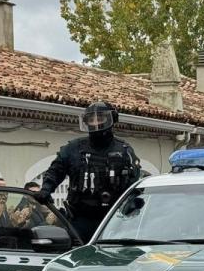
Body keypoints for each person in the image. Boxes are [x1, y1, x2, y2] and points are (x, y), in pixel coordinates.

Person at [35, 101, 141, 242]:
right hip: (80, 220)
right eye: (91, 119)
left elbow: (134, 184)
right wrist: (46, 190)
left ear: (112, 119)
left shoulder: (124, 151)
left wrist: (133, 206)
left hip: (114, 220)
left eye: (100, 118)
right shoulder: (73, 148)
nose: (96, 123)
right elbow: (56, 170)